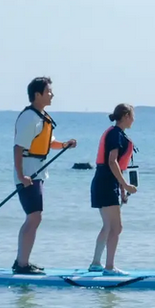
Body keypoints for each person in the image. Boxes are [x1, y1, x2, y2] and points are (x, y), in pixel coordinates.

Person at [12, 76, 77, 274]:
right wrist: (21, 176)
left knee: (35, 217)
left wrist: (65, 144)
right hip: (28, 174)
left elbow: (49, 143)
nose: (52, 95)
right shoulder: (29, 118)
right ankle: (21, 264)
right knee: (34, 217)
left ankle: (22, 261)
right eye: (48, 91)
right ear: (37, 94)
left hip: (37, 173)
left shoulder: (42, 117)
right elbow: (18, 148)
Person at [89, 103, 138, 276]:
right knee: (116, 227)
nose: (133, 120)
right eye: (132, 116)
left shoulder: (117, 134)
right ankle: (109, 267)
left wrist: (122, 191)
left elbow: (118, 166)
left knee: (108, 226)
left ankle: (96, 263)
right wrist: (126, 185)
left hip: (105, 182)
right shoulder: (115, 134)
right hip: (106, 183)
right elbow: (112, 161)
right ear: (125, 116)